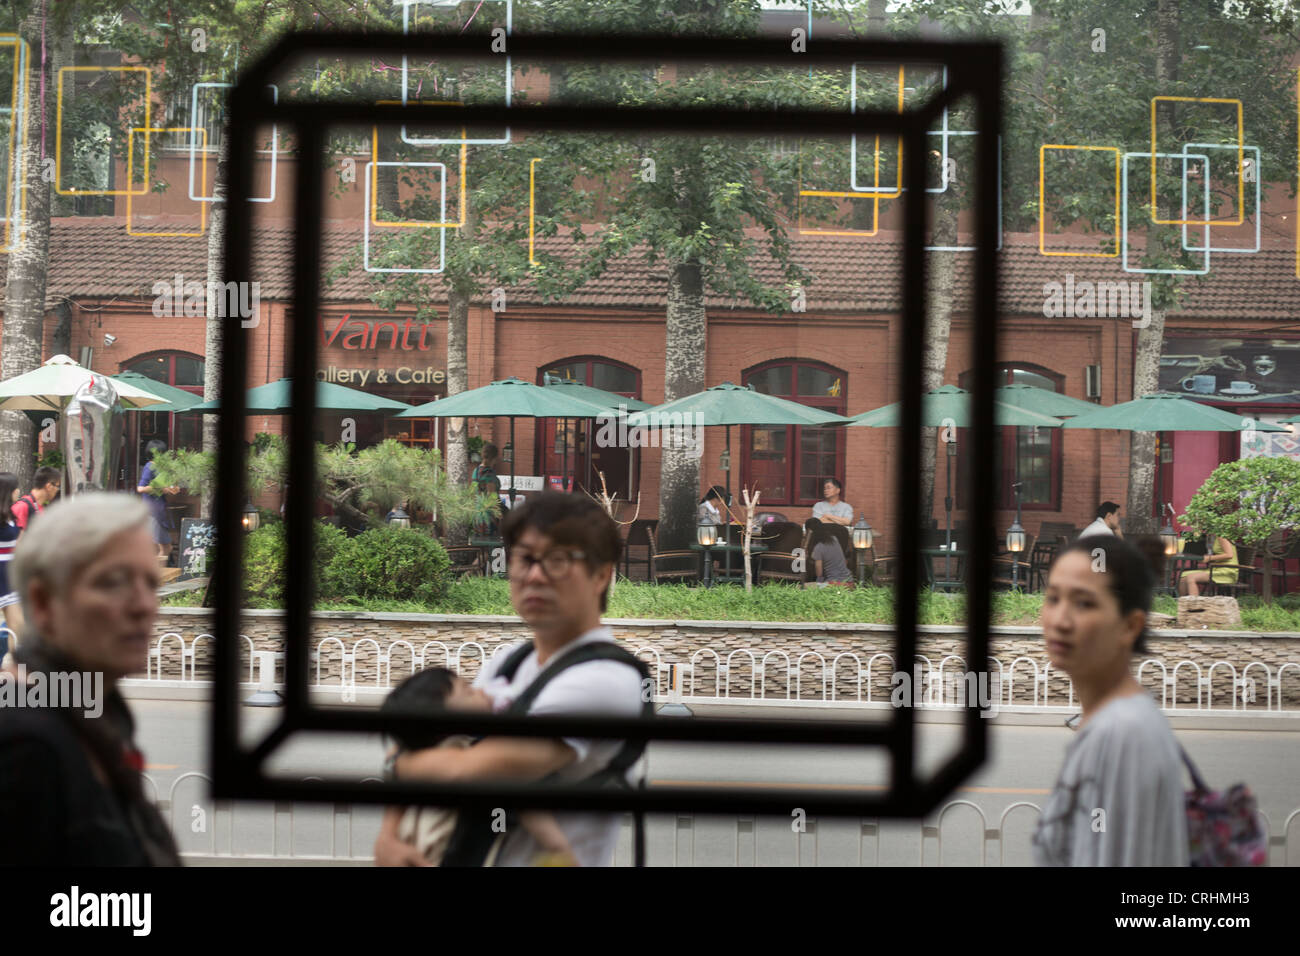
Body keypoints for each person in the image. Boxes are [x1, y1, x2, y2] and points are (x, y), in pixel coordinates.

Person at [374, 491, 647, 867]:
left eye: (557, 560)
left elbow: (466, 769)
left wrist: (396, 763)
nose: (534, 575)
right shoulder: (509, 662)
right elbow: (437, 737)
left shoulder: (605, 680)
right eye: (524, 558)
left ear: (601, 575)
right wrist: (389, 836)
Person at [0, 493, 181, 865]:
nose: (143, 604)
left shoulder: (99, 712)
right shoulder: (24, 741)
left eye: (151, 583)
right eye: (113, 581)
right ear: (44, 602)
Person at [1031, 535, 1188, 866]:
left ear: (1130, 626)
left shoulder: (1121, 734)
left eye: (1084, 603)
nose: (1059, 620)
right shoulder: (1113, 721)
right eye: (1053, 598)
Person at [379, 667, 578, 866]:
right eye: (469, 692)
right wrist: (559, 847)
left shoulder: (421, 755)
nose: (481, 690)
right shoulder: (470, 756)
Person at [137, 440, 180, 561]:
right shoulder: (150, 466)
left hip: (157, 509)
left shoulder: (159, 467)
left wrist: (172, 489)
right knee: (164, 547)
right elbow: (140, 488)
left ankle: (157, 576)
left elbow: (167, 487)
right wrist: (162, 488)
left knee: (164, 547)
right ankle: (157, 576)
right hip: (154, 511)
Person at [0, 473, 23, 654]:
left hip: (10, 573)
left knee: (17, 625)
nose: (19, 491)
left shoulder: (11, 514)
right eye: (16, 488)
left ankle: (17, 671)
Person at [10, 465, 61, 536]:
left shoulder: (39, 507)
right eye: (57, 486)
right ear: (49, 486)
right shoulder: (22, 506)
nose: (57, 490)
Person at [803, 517, 853, 587]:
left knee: (801, 587)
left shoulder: (818, 548)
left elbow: (819, 573)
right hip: (849, 581)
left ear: (810, 532)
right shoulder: (834, 539)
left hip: (835, 584)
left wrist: (819, 584)